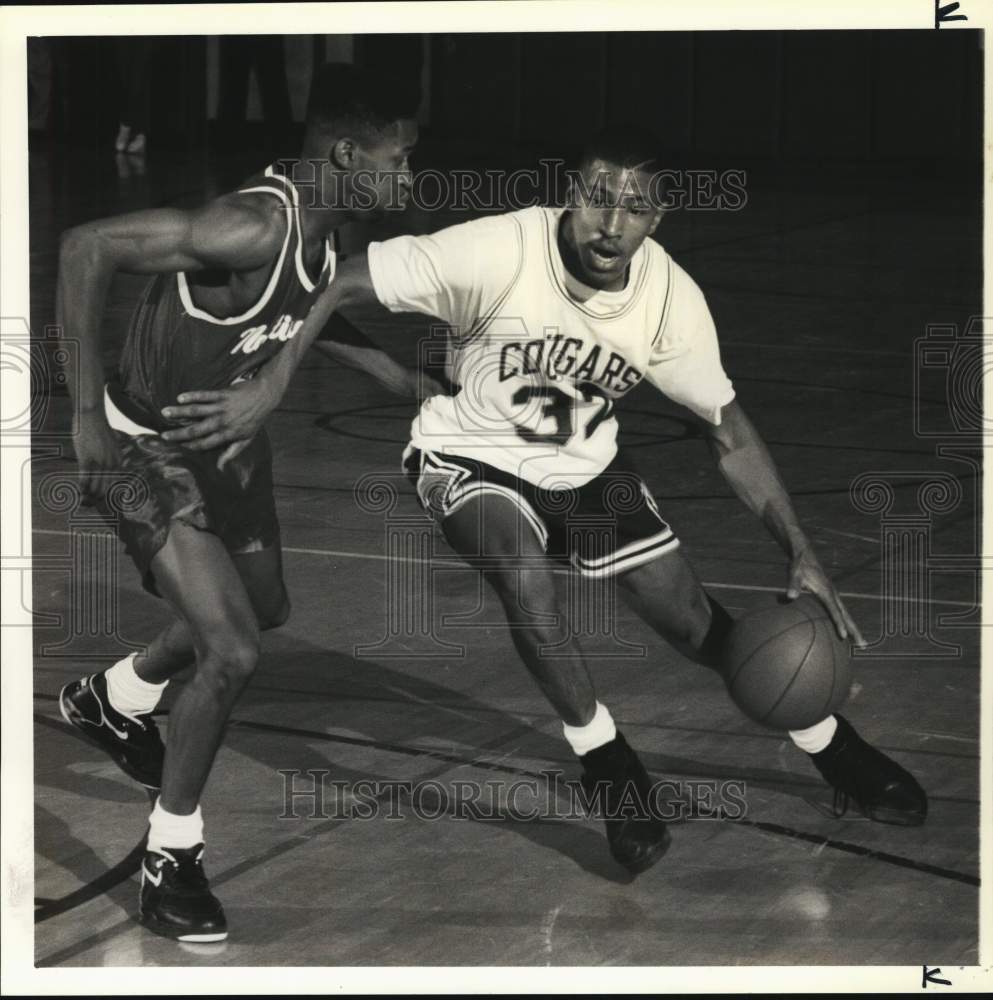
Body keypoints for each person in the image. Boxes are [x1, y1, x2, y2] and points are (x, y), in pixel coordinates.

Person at [160, 128, 928, 876]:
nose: (609, 223)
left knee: (698, 625)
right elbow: (338, 278)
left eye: (632, 209)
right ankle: (609, 765)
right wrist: (274, 382)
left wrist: (800, 550)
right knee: (521, 574)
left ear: (656, 219)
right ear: (572, 193)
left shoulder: (670, 301)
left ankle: (831, 745)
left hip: (584, 469)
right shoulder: (496, 249)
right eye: (596, 198)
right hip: (468, 450)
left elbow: (727, 432)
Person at [57, 63, 426, 942]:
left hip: (222, 438)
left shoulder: (323, 230)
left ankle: (115, 696)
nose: (409, 176)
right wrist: (80, 417)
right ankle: (170, 858)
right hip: (143, 448)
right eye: (400, 159)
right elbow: (84, 247)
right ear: (347, 155)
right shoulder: (252, 224)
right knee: (231, 651)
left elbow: (307, 306)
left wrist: (394, 373)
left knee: (264, 608)